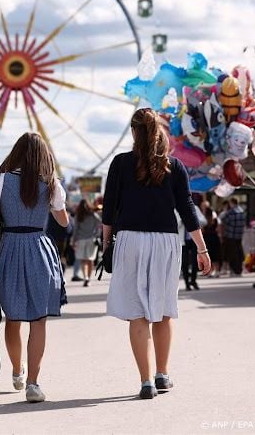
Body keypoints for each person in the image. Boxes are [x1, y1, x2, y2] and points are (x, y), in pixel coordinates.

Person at [102, 108, 210, 399]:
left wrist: (106, 246)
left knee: (137, 313)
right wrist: (202, 248)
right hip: (165, 242)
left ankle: (146, 380)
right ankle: (163, 375)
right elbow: (187, 209)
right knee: (162, 311)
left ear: (134, 132)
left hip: (130, 240)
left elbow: (109, 210)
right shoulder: (174, 166)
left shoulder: (120, 163)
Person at [0, 132, 69, 404]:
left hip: (11, 249)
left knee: (13, 316)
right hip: (40, 249)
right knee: (39, 319)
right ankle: (33, 383)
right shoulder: (51, 184)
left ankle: (17, 371)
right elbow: (62, 222)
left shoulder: (0, 180)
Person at [71, 199, 102, 287]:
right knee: (90, 260)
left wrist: (73, 241)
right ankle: (89, 278)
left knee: (83, 260)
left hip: (80, 240)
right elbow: (99, 224)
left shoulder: (78, 216)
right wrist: (96, 235)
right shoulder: (93, 215)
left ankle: (85, 278)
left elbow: (75, 229)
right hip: (91, 239)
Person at [222, 197, 246, 276]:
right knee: (239, 252)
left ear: (232, 203)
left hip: (231, 235)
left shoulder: (231, 212)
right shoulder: (242, 211)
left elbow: (224, 220)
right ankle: (239, 269)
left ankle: (234, 270)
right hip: (239, 235)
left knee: (232, 254)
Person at [201, 201, 222, 277]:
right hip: (214, 238)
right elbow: (218, 228)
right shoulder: (215, 219)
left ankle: (210, 271)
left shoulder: (204, 220)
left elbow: (202, 230)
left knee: (209, 255)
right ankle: (217, 271)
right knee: (216, 255)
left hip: (207, 238)